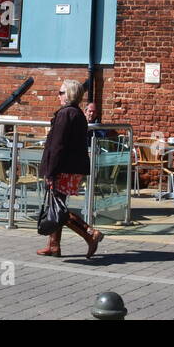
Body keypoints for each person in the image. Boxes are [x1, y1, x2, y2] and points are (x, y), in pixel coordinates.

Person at [37, 80, 103, 258]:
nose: (58, 95)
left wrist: (50, 172)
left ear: (69, 94)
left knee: (58, 208)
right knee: (56, 204)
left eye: (61, 92)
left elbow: (58, 146)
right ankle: (53, 245)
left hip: (62, 168)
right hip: (71, 167)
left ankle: (90, 233)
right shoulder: (78, 114)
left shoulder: (66, 114)